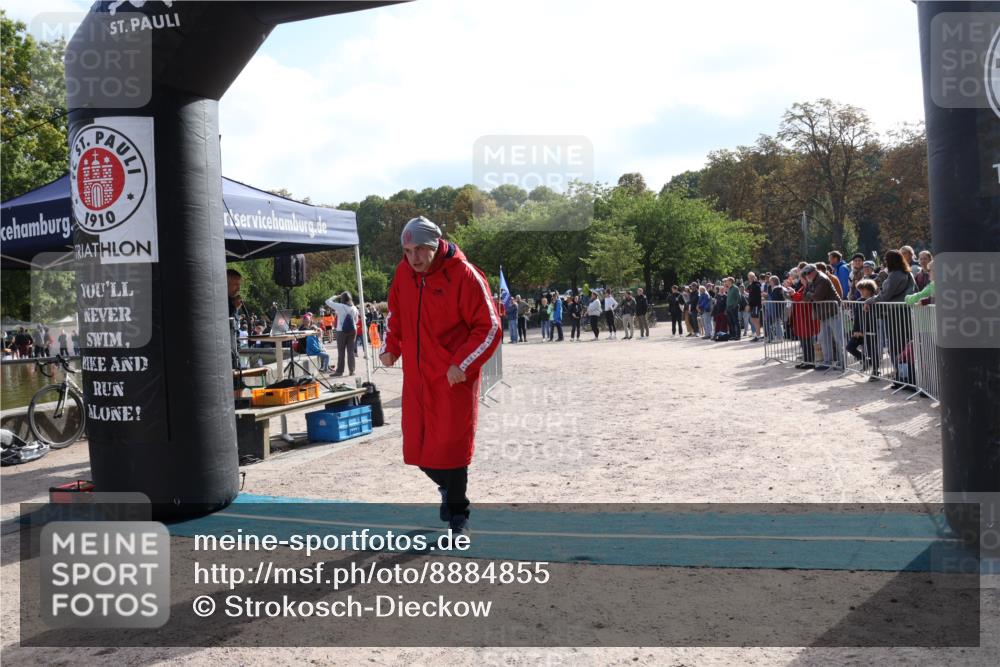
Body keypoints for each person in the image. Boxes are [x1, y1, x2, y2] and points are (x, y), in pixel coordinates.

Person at [379, 216, 500, 535]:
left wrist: (463, 363)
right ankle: (447, 491)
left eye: (420, 249)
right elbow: (395, 313)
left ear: (435, 245)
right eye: (407, 250)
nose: (413, 257)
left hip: (452, 378)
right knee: (419, 449)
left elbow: (489, 326)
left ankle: (459, 515)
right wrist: (391, 346)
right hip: (417, 379)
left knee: (451, 448)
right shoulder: (404, 273)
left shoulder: (465, 275)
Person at [865, 249, 916, 389]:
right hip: (905, 312)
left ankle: (902, 377)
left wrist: (870, 300)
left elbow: (885, 295)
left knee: (895, 346)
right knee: (906, 346)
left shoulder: (894, 275)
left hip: (895, 314)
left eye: (887, 259)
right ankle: (909, 377)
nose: (885, 262)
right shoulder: (908, 273)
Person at [802, 263, 843, 371]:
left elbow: (817, 297)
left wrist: (810, 294)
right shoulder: (812, 281)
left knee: (838, 338)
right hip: (823, 314)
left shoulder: (822, 279)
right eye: (806, 274)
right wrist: (810, 291)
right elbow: (805, 298)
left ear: (815, 271)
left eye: (809, 273)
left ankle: (843, 362)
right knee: (824, 339)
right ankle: (827, 362)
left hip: (833, 312)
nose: (808, 275)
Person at [324, 291, 359, 377]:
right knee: (351, 351)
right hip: (353, 330)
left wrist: (336, 296)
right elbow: (356, 320)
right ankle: (352, 371)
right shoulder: (354, 308)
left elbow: (327, 301)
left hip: (341, 331)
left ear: (342, 299)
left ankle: (339, 371)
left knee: (341, 352)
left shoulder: (340, 306)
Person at [747, 272, 763, 342]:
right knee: (753, 320)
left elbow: (756, 297)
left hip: (756, 305)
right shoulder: (751, 285)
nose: (749, 278)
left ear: (753, 277)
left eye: (751, 277)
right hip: (753, 305)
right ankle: (757, 335)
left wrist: (749, 305)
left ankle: (758, 336)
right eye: (749, 277)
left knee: (756, 320)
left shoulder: (756, 285)